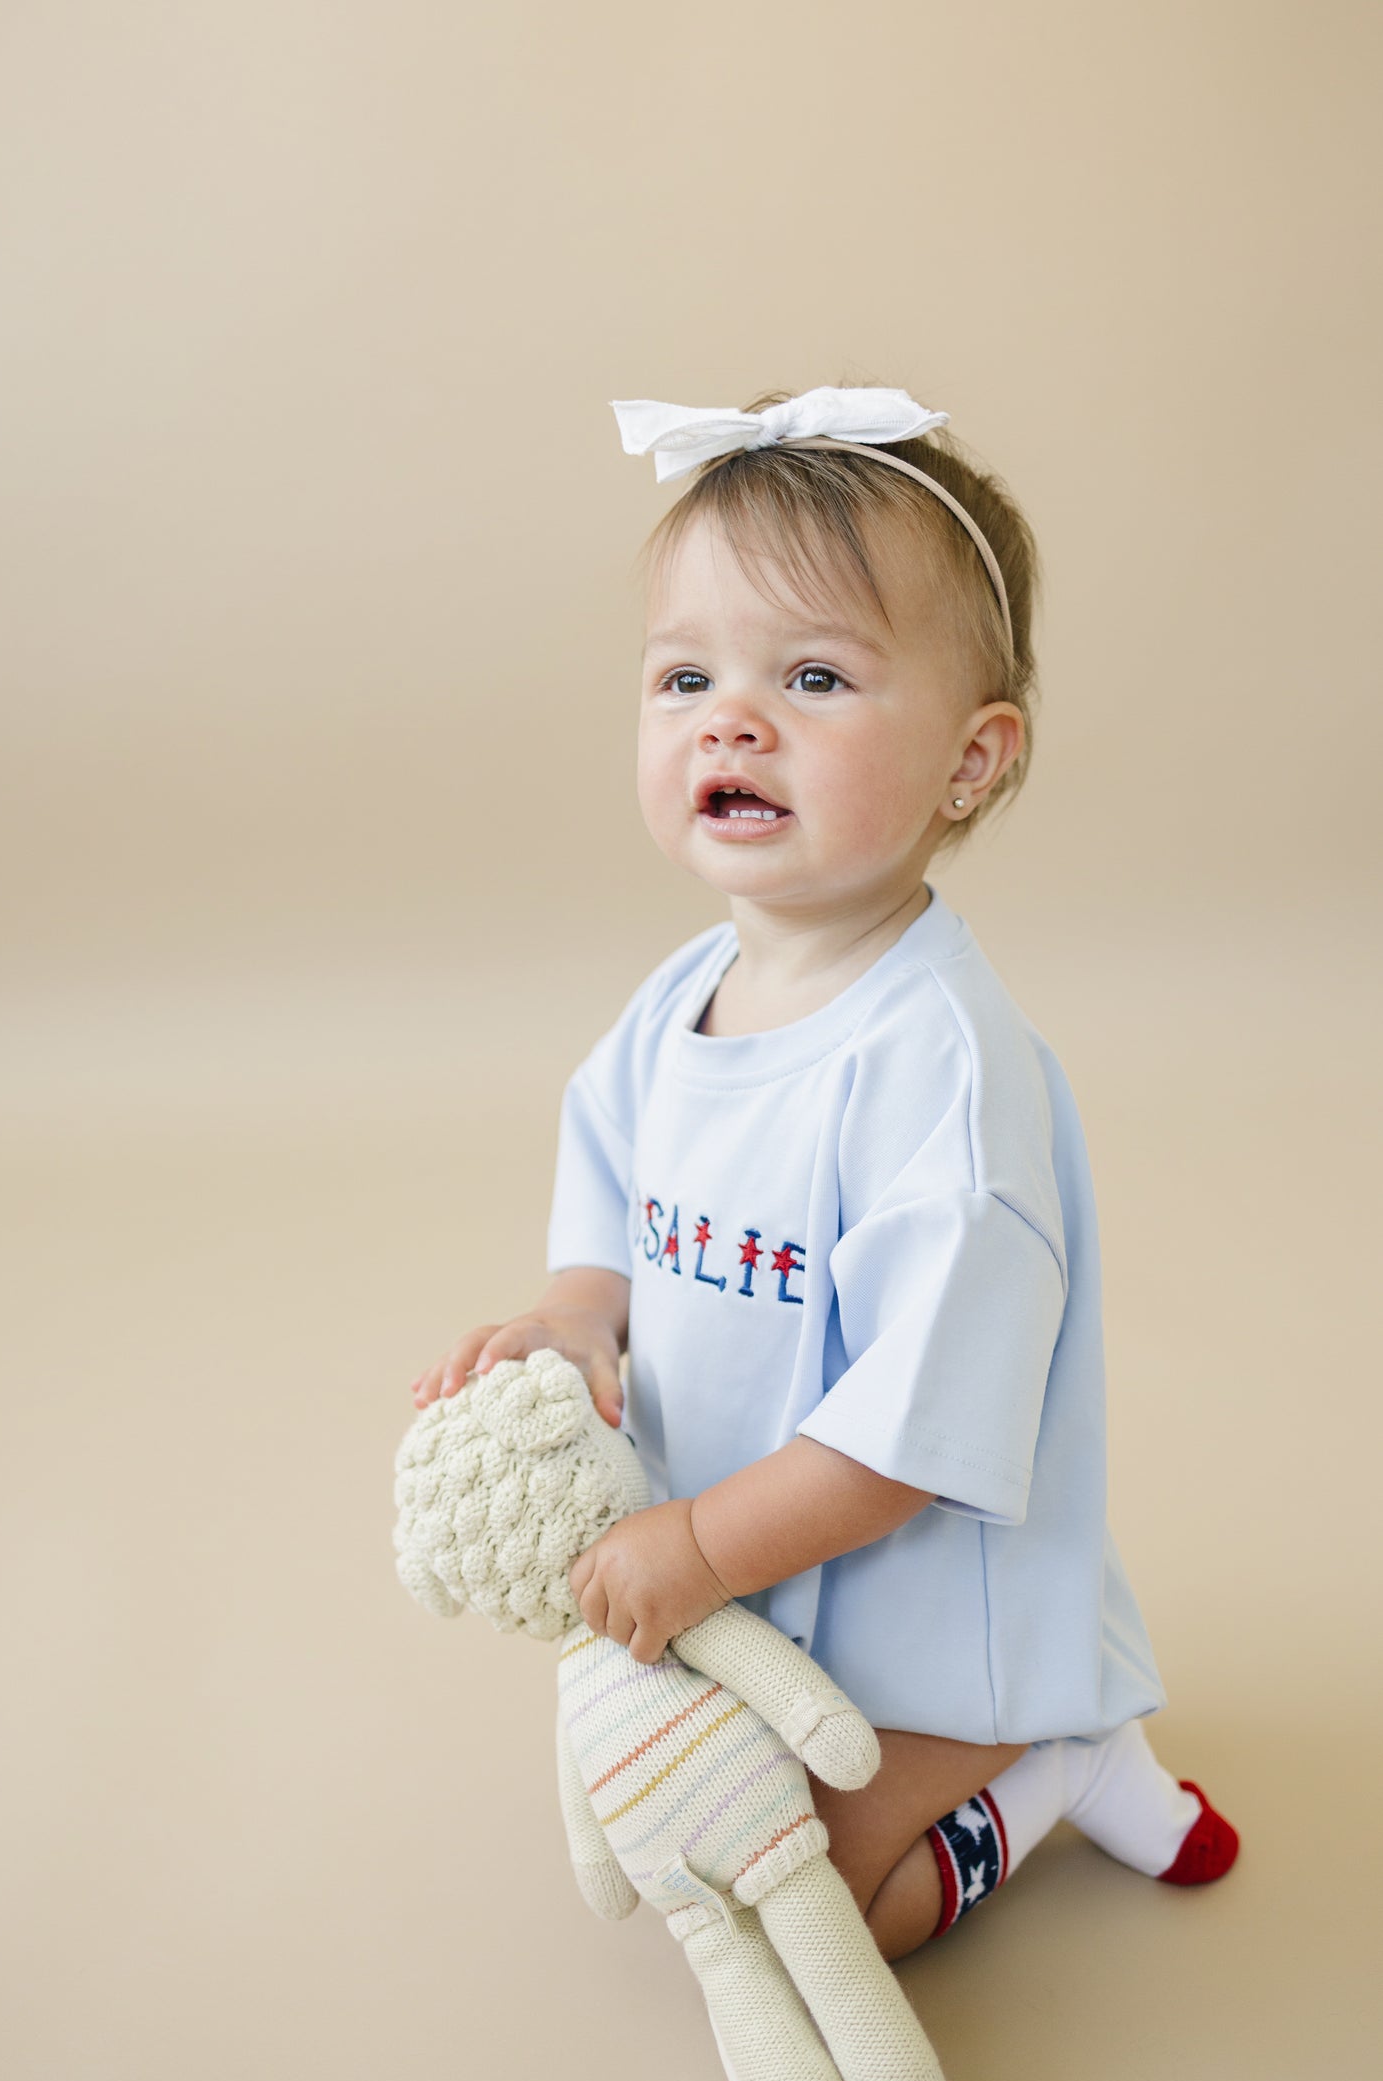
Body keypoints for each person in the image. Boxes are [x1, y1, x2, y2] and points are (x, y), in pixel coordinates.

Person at [410, 384, 1239, 1961]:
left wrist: (698, 1550)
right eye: (684, 676)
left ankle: (1043, 1760)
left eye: (811, 676)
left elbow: (915, 1437)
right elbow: (608, 1187)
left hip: (919, 1611)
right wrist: (581, 1315)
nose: (730, 718)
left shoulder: (943, 1077)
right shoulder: (678, 1001)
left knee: (818, 1903)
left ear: (969, 763)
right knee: (689, 1835)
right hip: (745, 1584)